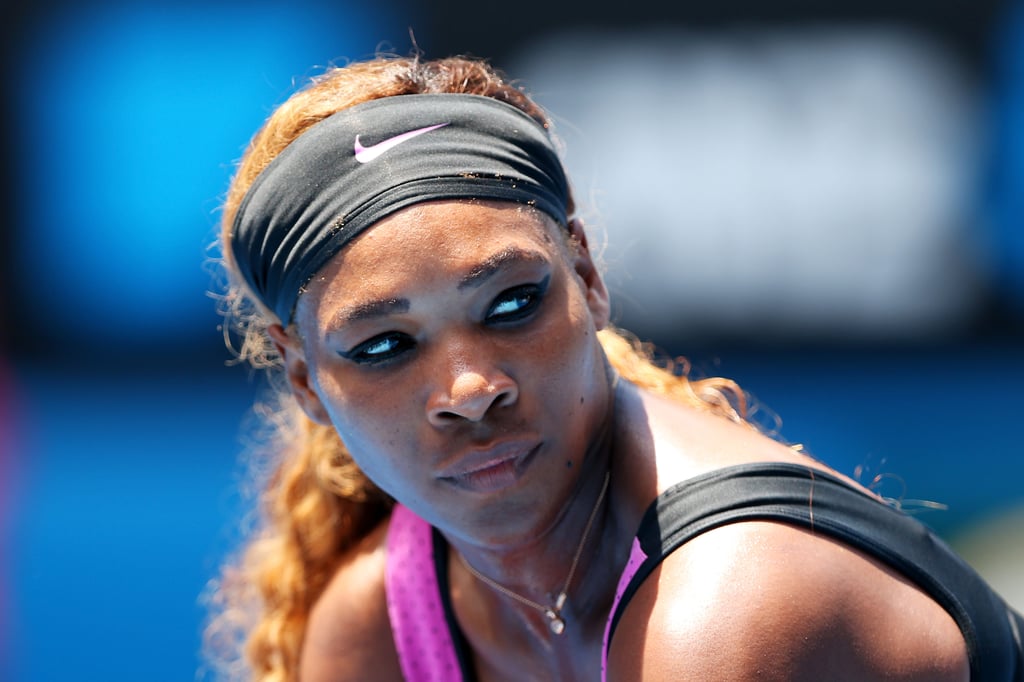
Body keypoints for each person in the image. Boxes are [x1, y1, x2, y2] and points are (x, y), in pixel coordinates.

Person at [205, 54, 1023, 682]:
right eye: (383, 346)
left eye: (511, 303)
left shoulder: (734, 611)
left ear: (588, 280)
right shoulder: (377, 624)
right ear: (307, 381)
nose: (470, 389)